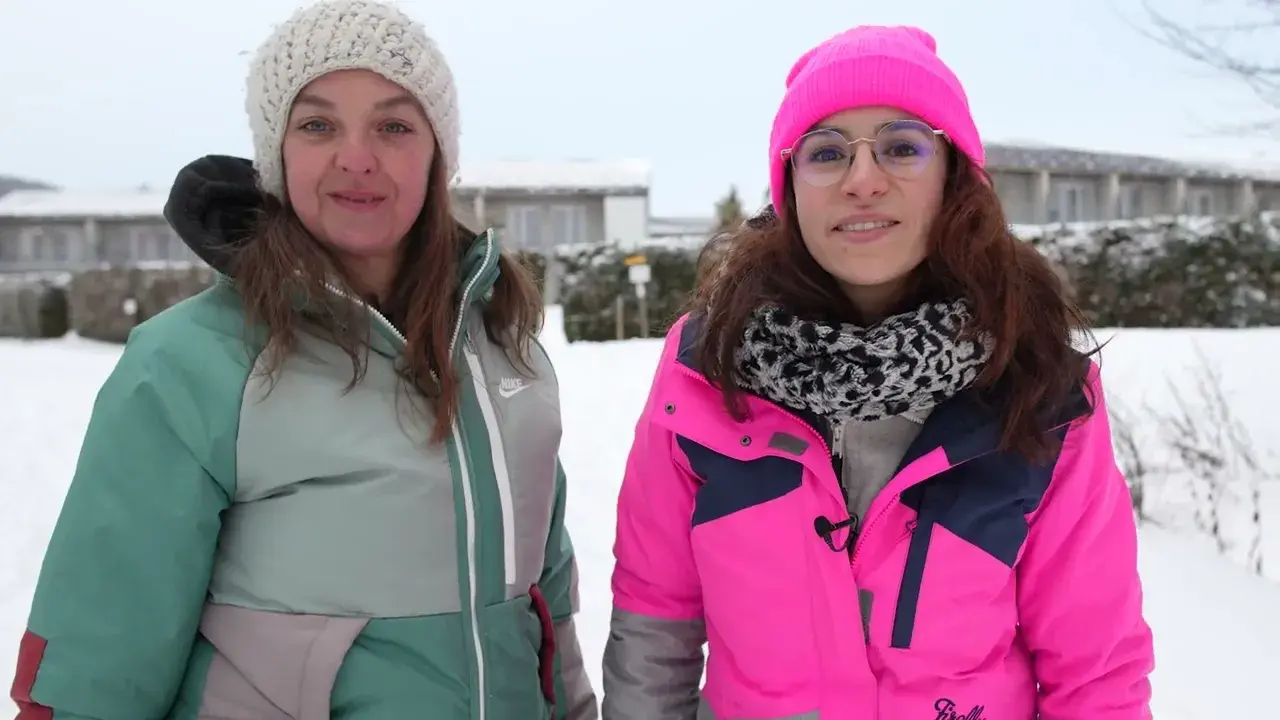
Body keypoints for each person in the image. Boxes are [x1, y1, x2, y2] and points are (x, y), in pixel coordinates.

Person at [10, 2, 597, 718]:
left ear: (437, 156)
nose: (357, 157)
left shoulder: (508, 352)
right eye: (318, 124)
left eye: (394, 125)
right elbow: (96, 660)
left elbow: (549, 605)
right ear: (276, 154)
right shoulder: (191, 364)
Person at [603, 25, 1155, 720]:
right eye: (827, 152)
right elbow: (656, 624)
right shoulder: (706, 370)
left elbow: (1096, 672)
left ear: (954, 176)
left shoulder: (1039, 386)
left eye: (901, 146)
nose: (864, 181)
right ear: (790, 185)